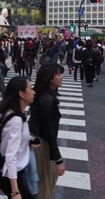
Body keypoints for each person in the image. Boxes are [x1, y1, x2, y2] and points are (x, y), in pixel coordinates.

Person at [29, 63, 65, 199]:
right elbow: (49, 132)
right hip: (43, 146)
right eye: (58, 74)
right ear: (50, 78)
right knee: (46, 184)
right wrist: (58, 159)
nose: (62, 77)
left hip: (39, 142)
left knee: (44, 181)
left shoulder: (43, 96)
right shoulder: (47, 99)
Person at [0, 77, 36, 199]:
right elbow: (10, 156)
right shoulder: (16, 120)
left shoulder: (14, 112)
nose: (34, 91)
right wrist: (15, 192)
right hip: (10, 175)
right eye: (30, 88)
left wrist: (29, 140)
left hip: (14, 173)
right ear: (21, 94)